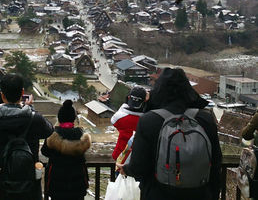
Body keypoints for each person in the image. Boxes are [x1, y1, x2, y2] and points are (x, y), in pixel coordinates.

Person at [117, 67, 222, 200]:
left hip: (158, 194)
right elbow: (216, 164)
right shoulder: (205, 119)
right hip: (199, 194)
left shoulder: (148, 121)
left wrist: (126, 169)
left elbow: (139, 166)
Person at [0, 74, 54, 200]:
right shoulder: (34, 119)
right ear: (22, 92)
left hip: (1, 181)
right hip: (29, 181)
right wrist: (31, 108)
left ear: (2, 95)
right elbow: (49, 131)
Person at [41, 99, 91, 200]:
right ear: (73, 119)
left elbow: (44, 152)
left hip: (57, 185)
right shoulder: (81, 136)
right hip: (77, 185)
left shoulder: (53, 136)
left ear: (59, 118)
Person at [110, 86, 147, 161]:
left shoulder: (119, 117)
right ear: (145, 101)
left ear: (128, 98)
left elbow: (113, 120)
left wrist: (125, 104)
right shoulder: (146, 120)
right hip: (139, 158)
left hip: (120, 157)